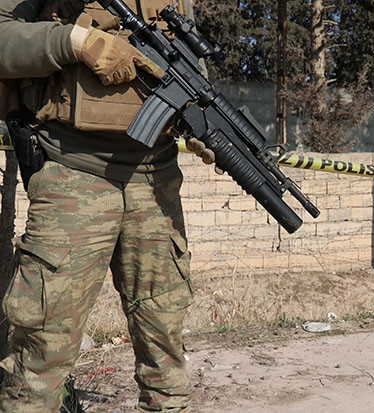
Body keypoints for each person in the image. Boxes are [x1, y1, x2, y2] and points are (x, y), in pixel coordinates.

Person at [0, 0, 214, 410]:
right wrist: (74, 41)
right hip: (72, 173)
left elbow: (186, 60)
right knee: (42, 350)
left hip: (156, 180)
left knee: (164, 343)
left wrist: (200, 119)